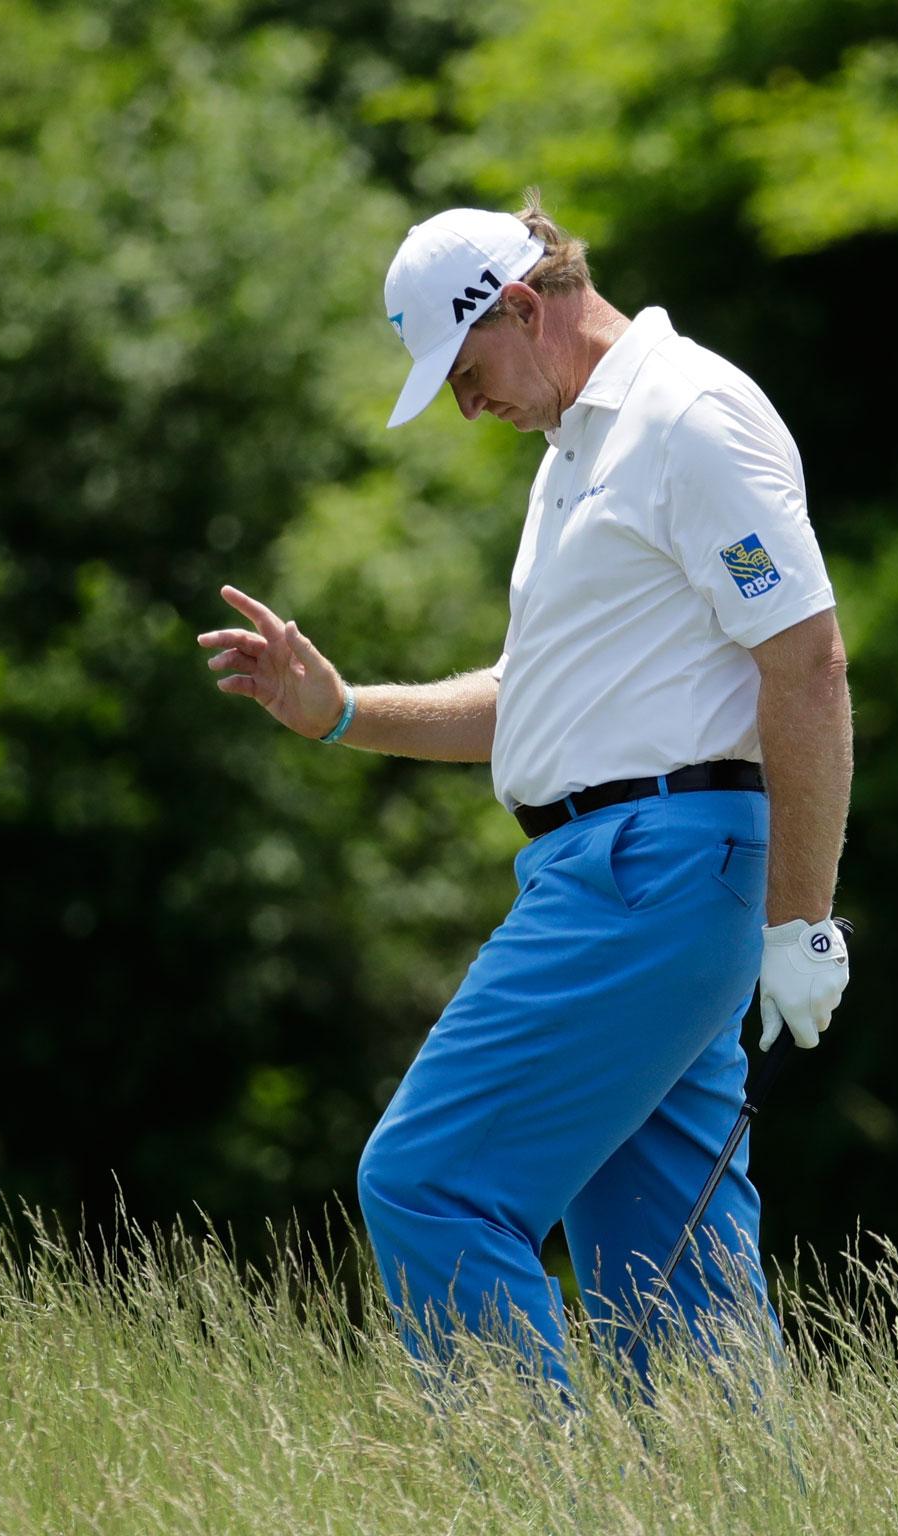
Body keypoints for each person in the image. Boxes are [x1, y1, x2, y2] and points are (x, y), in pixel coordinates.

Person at [198, 193, 852, 1392]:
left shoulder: (687, 415)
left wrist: (800, 919)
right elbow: (535, 703)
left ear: (517, 304)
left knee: (427, 1181)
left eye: (464, 370)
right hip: (616, 869)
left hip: (650, 875)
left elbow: (803, 659)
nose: (464, 405)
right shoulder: (573, 457)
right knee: (670, 1278)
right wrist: (341, 713)